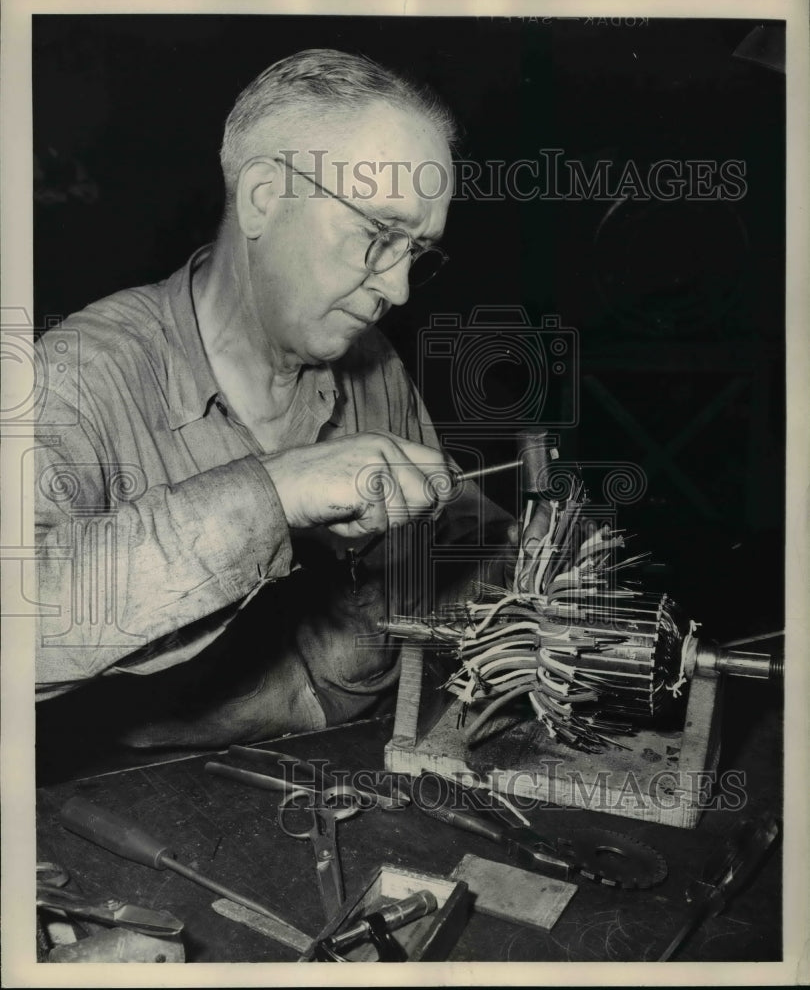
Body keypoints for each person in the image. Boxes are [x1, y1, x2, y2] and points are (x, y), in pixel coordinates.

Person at [33, 49, 513, 750]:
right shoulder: (77, 376)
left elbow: (451, 541)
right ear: (263, 197)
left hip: (372, 750)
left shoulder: (371, 364)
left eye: (418, 251)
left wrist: (535, 561)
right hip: (166, 802)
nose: (400, 288)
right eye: (379, 235)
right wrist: (274, 491)